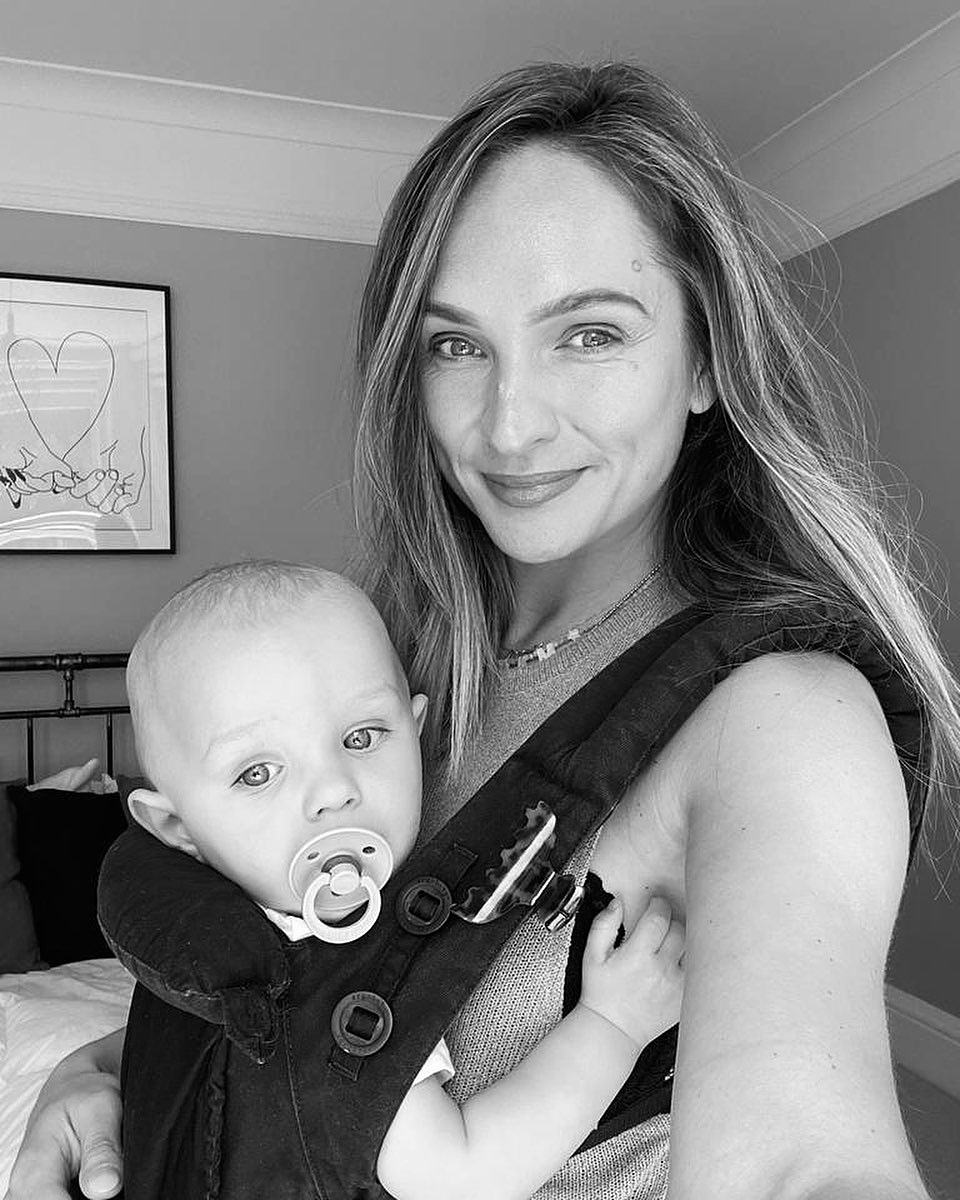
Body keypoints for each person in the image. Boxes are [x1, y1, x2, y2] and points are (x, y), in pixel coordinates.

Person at [9, 59, 958, 1200]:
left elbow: (803, 1156)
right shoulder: (376, 675)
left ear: (707, 359)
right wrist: (96, 1068)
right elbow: (296, 1005)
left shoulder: (783, 717)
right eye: (456, 345)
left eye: (589, 334)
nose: (509, 425)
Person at [105, 558, 685, 1200]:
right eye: (257, 773)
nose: (333, 791)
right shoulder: (334, 979)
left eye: (361, 737)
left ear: (416, 732)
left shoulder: (195, 941)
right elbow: (460, 1179)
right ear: (176, 827)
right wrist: (614, 1024)